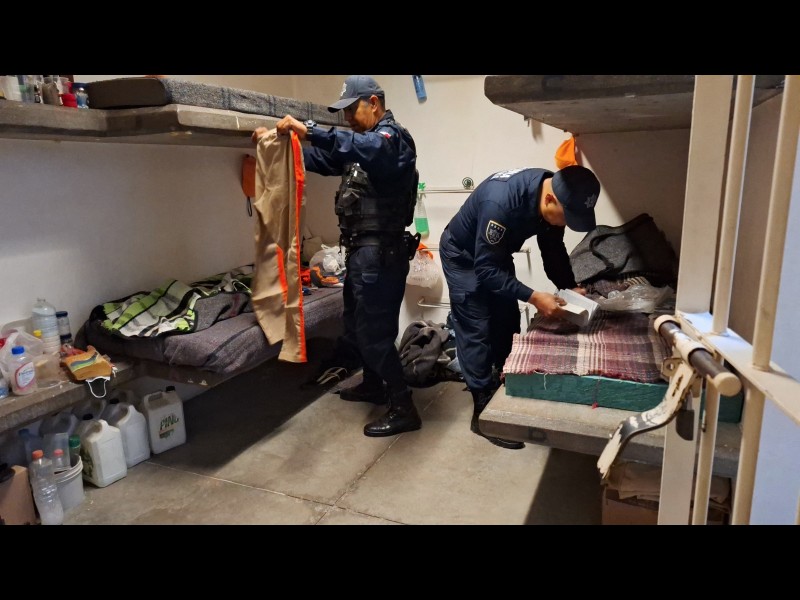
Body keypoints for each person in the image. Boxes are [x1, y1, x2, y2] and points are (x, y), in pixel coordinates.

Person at [252, 75, 422, 438]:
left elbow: (367, 147)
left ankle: (404, 407)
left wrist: (309, 129)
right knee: (358, 327)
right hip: (362, 253)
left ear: (373, 103)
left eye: (351, 110)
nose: (347, 119)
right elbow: (320, 158)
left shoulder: (393, 140)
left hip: (381, 254)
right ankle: (374, 385)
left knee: (375, 334)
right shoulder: (361, 147)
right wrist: (275, 146)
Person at [439, 165, 601, 450]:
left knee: (506, 318)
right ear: (550, 200)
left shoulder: (555, 191)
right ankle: (482, 413)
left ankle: (503, 381)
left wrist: (568, 287)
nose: (566, 223)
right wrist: (534, 296)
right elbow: (485, 270)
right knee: (476, 327)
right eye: (567, 217)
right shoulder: (501, 203)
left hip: (494, 255)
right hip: (463, 256)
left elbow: (552, 249)